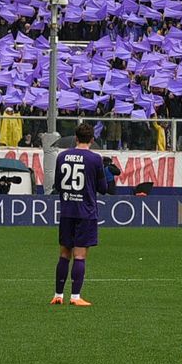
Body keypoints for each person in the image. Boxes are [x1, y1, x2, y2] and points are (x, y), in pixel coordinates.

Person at [52, 122, 109, 307]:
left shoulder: (62, 156)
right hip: (86, 211)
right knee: (80, 255)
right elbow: (103, 188)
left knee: (63, 254)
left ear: (76, 138)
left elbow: (58, 185)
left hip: (67, 210)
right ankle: (75, 297)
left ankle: (58, 295)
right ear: (92, 139)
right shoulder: (95, 159)